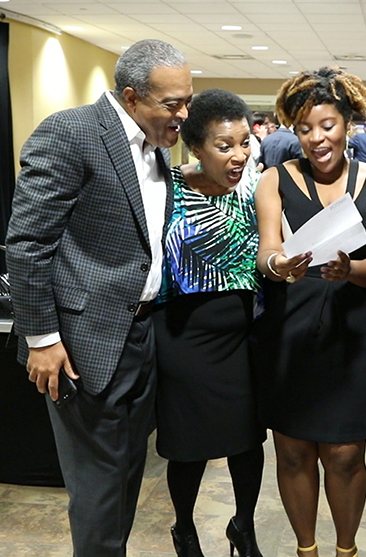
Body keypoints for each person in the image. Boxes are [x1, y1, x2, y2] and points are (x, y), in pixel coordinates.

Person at [5, 40, 193, 556]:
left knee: (128, 475)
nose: (184, 114)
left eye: (187, 100)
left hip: (141, 336)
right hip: (81, 344)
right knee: (98, 488)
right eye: (172, 103)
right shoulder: (72, 133)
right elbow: (27, 244)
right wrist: (42, 338)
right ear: (132, 96)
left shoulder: (158, 146)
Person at [251, 67, 366, 557]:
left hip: (355, 330)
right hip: (290, 328)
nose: (316, 138)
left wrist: (350, 270)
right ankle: (305, 549)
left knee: (346, 452)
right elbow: (267, 254)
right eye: (304, 128)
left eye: (326, 125)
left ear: (348, 124)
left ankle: (345, 550)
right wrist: (281, 264)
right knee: (292, 451)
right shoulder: (274, 179)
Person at [153, 88, 266, 557]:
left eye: (244, 142)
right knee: (189, 443)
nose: (238, 155)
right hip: (184, 332)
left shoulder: (257, 188)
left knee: (247, 439)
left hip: (244, 331)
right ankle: (184, 529)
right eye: (225, 145)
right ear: (195, 145)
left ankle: (243, 525)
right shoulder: (166, 188)